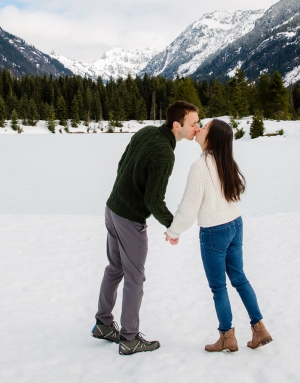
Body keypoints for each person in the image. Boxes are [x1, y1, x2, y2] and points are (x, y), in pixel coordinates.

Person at [92, 100, 201, 355]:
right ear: (177, 125)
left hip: (112, 209)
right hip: (129, 219)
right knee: (135, 277)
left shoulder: (146, 132)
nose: (197, 127)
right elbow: (154, 199)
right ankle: (129, 338)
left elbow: (122, 166)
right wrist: (173, 226)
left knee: (115, 267)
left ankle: (103, 324)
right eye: (193, 123)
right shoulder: (164, 153)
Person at [165, 119, 272, 352]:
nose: (199, 128)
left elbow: (188, 207)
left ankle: (227, 336)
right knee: (240, 279)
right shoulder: (226, 162)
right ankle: (259, 328)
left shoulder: (201, 166)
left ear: (211, 137)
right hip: (235, 225)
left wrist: (174, 231)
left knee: (218, 287)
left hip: (214, 231)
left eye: (204, 127)